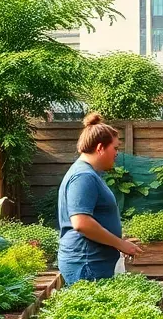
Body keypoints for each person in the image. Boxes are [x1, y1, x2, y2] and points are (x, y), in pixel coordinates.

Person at [57, 113, 143, 285]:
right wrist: (120, 244)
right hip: (87, 263)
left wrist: (119, 240)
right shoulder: (83, 176)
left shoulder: (90, 174)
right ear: (100, 148)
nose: (117, 153)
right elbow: (81, 223)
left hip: (91, 262)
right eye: (115, 148)